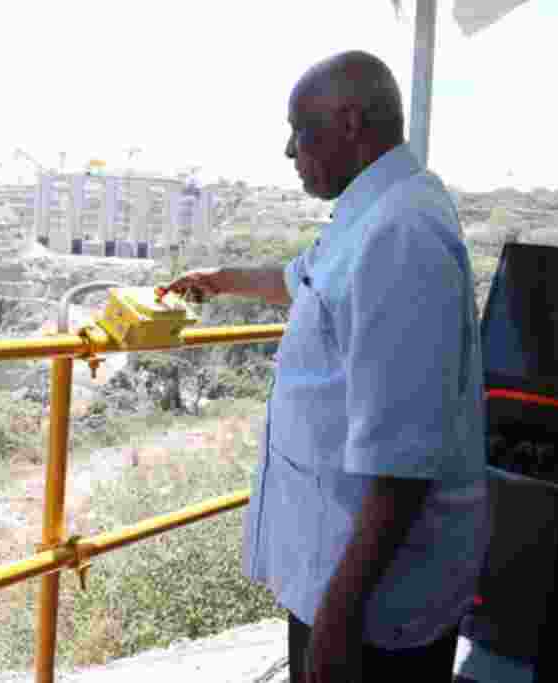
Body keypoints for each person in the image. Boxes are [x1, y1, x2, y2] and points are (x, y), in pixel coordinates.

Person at [164, 51, 487, 683]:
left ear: (349, 122)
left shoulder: (400, 235)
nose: (289, 150)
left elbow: (404, 458)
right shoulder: (374, 211)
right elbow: (304, 281)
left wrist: (339, 617)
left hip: (372, 606)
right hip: (341, 577)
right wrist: (220, 280)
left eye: (299, 130)